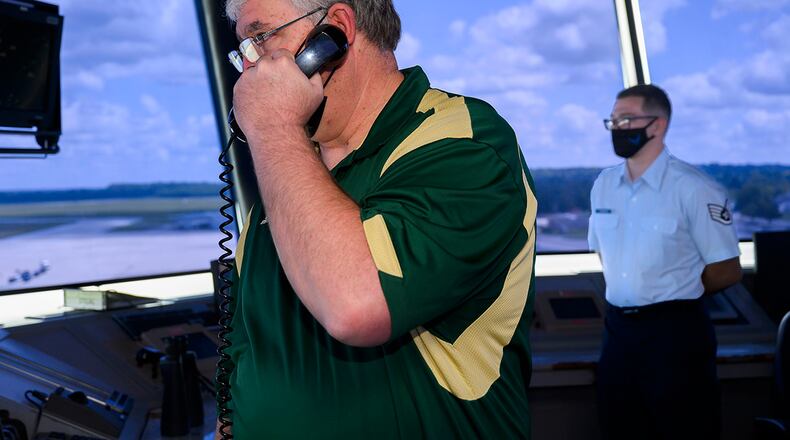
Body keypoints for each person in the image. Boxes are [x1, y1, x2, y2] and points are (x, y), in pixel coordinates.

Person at [218, 0, 538, 438]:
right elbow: (244, 354)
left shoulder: (464, 145)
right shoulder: (283, 185)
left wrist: (274, 126)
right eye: (244, 50)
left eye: (261, 38)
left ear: (335, 31)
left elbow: (356, 305)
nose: (249, 69)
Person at [588, 84, 742, 440]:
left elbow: (727, 268)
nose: (617, 128)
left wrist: (674, 285)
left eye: (626, 119)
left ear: (657, 125)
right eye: (612, 121)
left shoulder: (693, 187)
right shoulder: (603, 185)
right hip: (618, 332)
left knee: (683, 429)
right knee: (618, 426)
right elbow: (604, 253)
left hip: (675, 332)